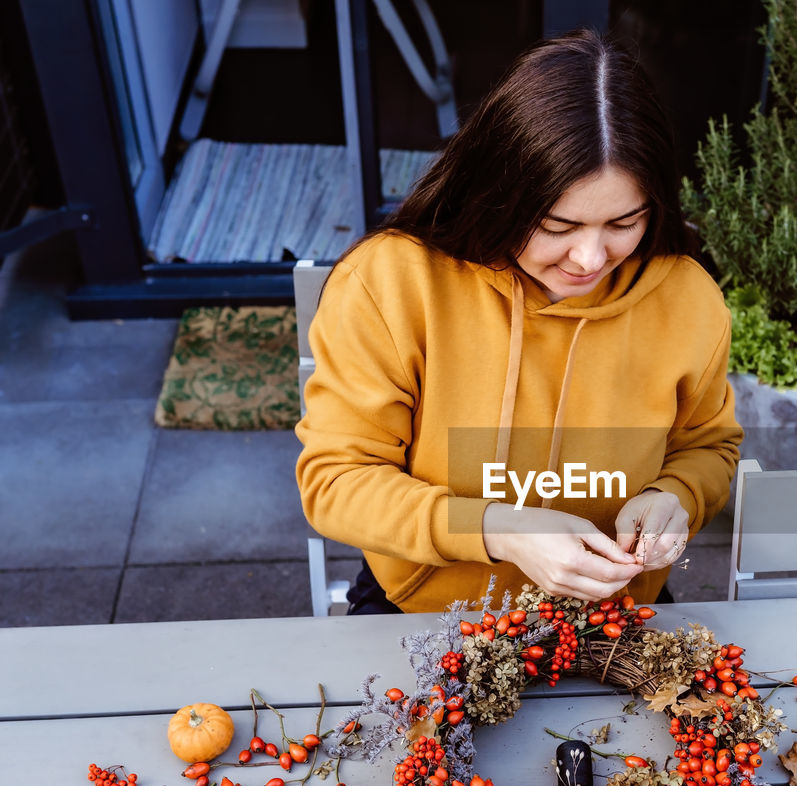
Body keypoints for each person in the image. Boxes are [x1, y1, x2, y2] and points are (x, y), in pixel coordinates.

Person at [296, 29, 741, 615]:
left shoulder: (686, 297)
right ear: (498, 191)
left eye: (623, 223)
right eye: (557, 227)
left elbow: (708, 445)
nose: (590, 259)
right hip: (428, 603)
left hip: (615, 608)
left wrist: (674, 495)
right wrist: (497, 529)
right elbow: (337, 481)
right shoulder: (393, 283)